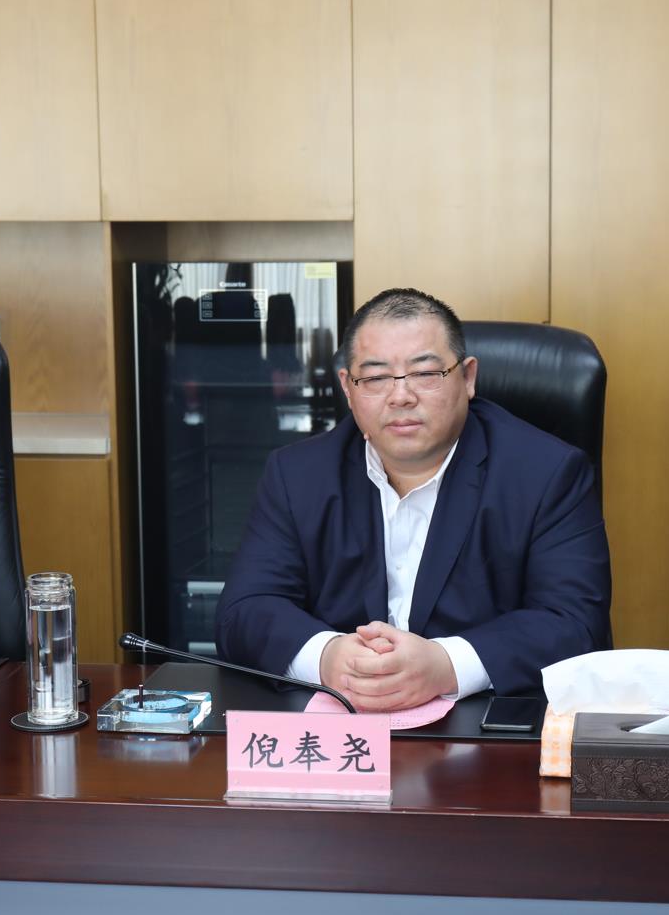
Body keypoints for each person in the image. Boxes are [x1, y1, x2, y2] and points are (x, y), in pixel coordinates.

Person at [216, 287, 612, 711]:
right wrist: (327, 657)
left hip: (483, 727)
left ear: (468, 378)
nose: (400, 396)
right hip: (339, 726)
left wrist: (446, 665)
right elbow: (244, 610)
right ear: (348, 388)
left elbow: (575, 623)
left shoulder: (547, 473)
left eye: (425, 373)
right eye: (375, 378)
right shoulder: (297, 475)